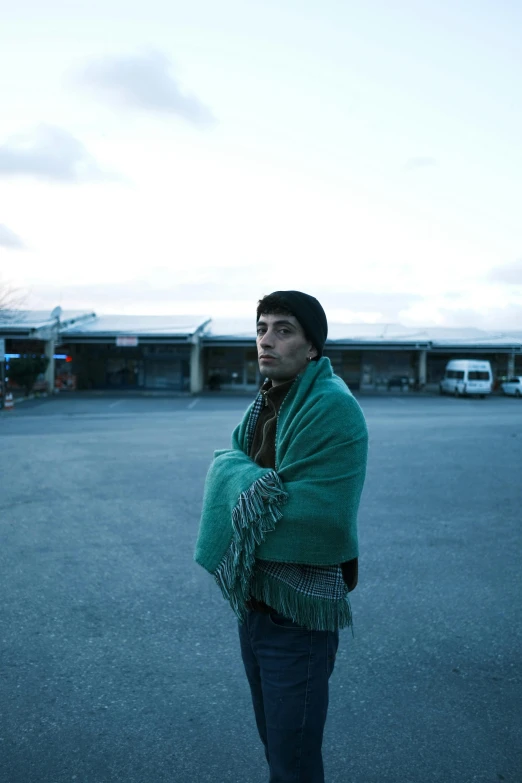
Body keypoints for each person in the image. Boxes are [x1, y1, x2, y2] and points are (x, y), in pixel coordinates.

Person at [195, 290, 368, 783]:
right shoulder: (269, 399)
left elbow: (317, 516)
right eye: (261, 328)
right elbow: (227, 460)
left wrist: (241, 477)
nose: (266, 341)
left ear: (312, 347)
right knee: (275, 746)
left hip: (298, 613)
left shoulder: (332, 407)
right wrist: (247, 477)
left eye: (283, 330)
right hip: (255, 603)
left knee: (292, 762)